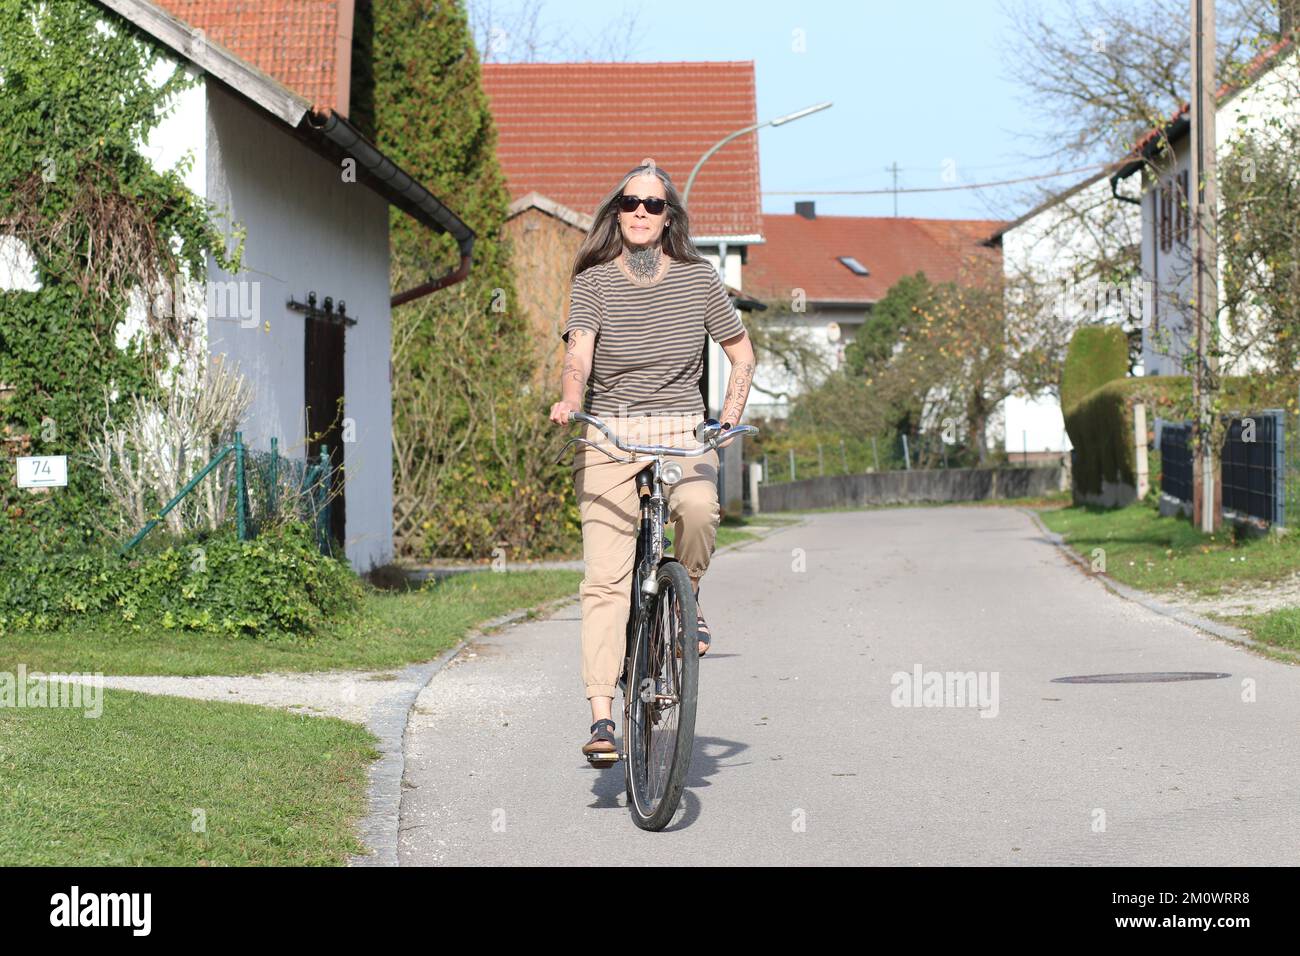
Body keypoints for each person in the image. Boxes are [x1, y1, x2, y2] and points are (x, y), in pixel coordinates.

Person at [547, 158, 756, 759]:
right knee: (605, 581)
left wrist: (728, 417)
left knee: (697, 509)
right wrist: (569, 399)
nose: (641, 213)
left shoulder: (698, 279)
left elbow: (741, 355)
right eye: (631, 204)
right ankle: (601, 719)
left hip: (682, 429)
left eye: (654, 205)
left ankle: (684, 600)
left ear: (669, 218)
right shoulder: (592, 282)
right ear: (618, 213)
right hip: (609, 431)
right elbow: (578, 357)